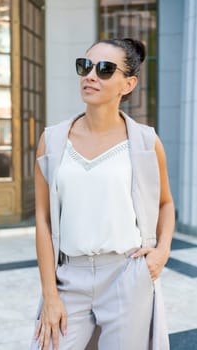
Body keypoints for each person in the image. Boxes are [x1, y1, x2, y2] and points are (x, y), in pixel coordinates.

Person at [30, 38, 175, 350]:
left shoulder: (146, 142)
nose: (91, 75)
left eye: (105, 69)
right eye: (86, 66)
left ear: (128, 84)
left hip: (126, 276)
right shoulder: (52, 141)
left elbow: (165, 202)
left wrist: (162, 251)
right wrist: (50, 296)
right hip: (69, 277)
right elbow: (42, 221)